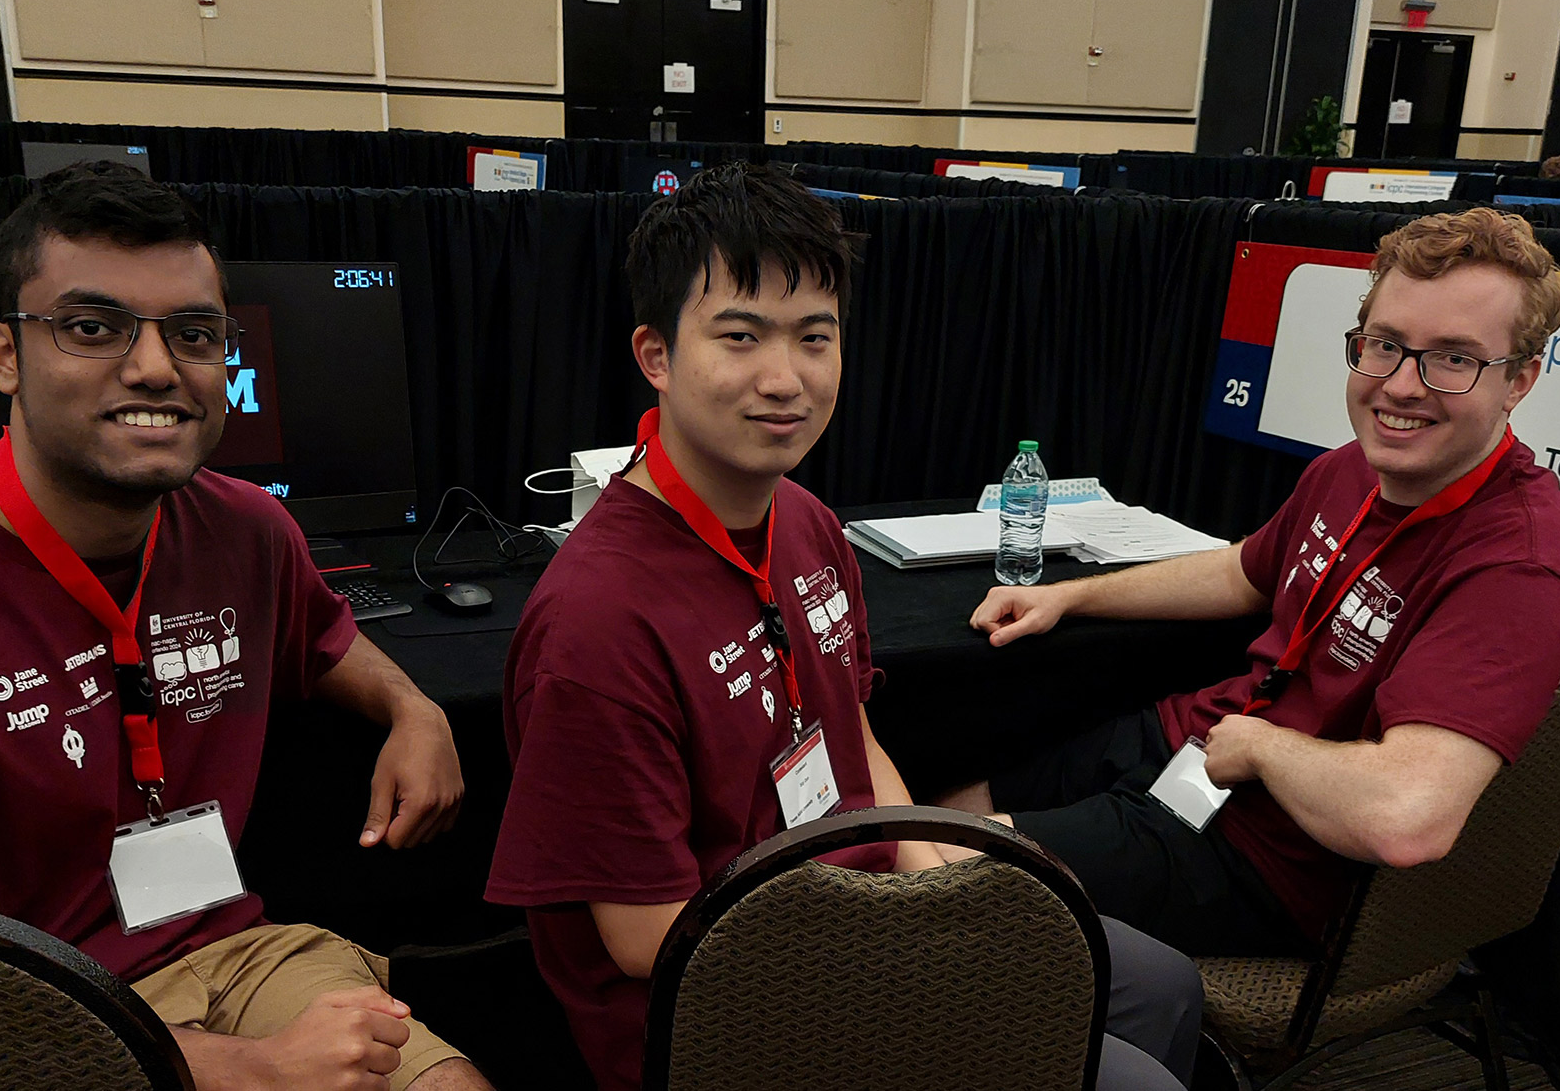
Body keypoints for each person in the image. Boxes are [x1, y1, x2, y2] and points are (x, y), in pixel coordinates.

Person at [0, 163, 490, 1091]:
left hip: (222, 949)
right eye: (92, 329)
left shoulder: (246, 531)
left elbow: (326, 638)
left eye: (194, 333)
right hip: (4, 1024)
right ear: (6, 354)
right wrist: (248, 1073)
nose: (154, 367)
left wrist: (415, 710)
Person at [486, 163, 1202, 1091]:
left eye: (814, 338)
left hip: (857, 905)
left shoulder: (808, 524)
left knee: (1160, 983)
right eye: (739, 337)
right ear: (655, 355)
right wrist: (913, 952)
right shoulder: (597, 621)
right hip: (725, 1005)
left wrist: (926, 867)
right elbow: (640, 939)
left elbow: (848, 733)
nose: (784, 379)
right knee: (1129, 1075)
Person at [955, 207, 1560, 958]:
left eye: (1454, 359)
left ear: (1519, 382)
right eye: (1386, 346)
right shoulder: (1353, 467)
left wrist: (1268, 750)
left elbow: (1409, 817)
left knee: (942, 872)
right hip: (1192, 748)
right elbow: (1246, 571)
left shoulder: (1521, 564)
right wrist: (1070, 595)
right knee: (943, 805)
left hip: (1264, 856)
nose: (1402, 386)